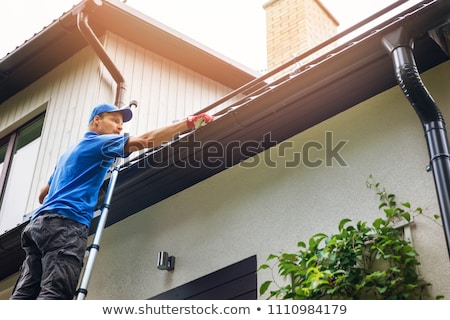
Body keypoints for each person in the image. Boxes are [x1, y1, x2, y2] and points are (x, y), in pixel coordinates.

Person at [10, 103, 214, 299]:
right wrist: (189, 122)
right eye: (114, 120)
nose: (119, 126)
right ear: (96, 121)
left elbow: (42, 195)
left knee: (24, 294)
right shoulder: (99, 143)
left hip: (38, 226)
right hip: (65, 225)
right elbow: (145, 140)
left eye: (122, 124)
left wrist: (85, 185)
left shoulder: (68, 154)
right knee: (56, 292)